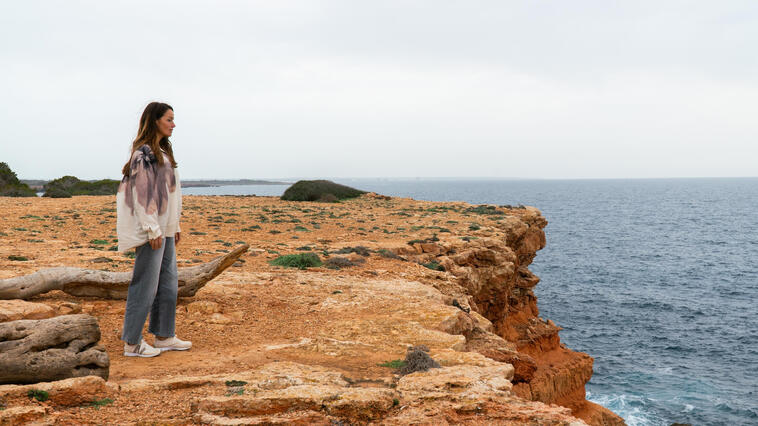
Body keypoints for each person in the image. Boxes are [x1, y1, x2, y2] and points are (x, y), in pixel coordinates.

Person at [116, 102, 191, 357]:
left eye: (173, 119)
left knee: (168, 283)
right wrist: (152, 228)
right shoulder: (143, 153)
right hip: (154, 230)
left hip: (166, 227)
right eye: (169, 119)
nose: (173, 124)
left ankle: (164, 336)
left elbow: (169, 194)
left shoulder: (162, 151)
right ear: (155, 120)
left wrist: (174, 224)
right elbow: (142, 193)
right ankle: (132, 343)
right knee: (145, 284)